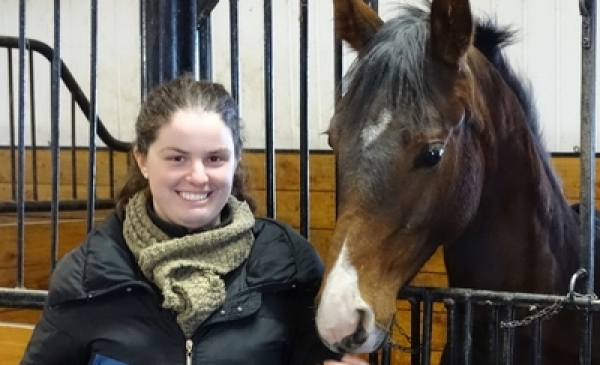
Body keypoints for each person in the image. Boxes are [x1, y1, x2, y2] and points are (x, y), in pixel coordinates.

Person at [20, 75, 369, 365]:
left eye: (215, 158)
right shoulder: (88, 275)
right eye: (177, 158)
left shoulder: (288, 265)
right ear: (142, 159)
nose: (198, 177)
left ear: (235, 160)